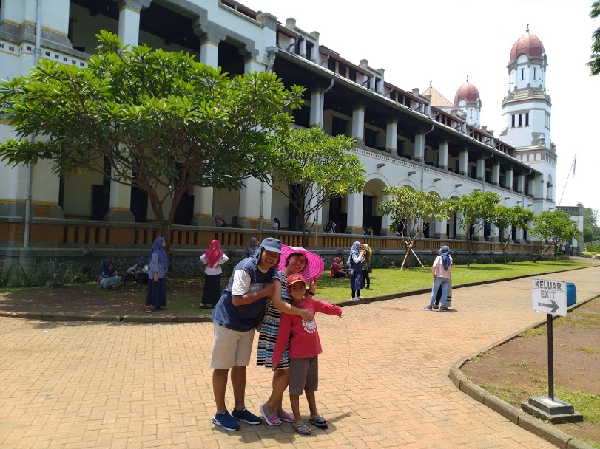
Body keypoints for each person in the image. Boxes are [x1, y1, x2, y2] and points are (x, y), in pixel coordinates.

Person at [209, 237, 282, 432]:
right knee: (222, 367)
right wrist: (265, 291)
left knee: (241, 366)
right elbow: (237, 300)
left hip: (247, 325)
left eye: (276, 255)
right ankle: (220, 412)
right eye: (269, 253)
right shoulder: (246, 267)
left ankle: (239, 408)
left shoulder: (272, 272)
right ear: (261, 251)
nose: (272, 258)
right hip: (228, 321)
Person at [257, 245, 322, 426]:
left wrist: (310, 292)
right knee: (285, 371)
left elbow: (299, 301)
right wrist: (300, 313)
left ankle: (277, 408)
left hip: (287, 330)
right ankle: (269, 407)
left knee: (282, 371)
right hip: (274, 327)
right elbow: (278, 303)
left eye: (303, 261)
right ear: (288, 258)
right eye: (296, 259)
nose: (299, 263)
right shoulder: (278, 277)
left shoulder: (294, 280)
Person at [272, 273, 342, 435]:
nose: (298, 290)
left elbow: (324, 306)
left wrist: (337, 310)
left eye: (301, 287)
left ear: (305, 288)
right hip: (298, 357)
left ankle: (314, 413)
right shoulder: (288, 311)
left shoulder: (310, 302)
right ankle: (297, 418)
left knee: (311, 386)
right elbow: (282, 336)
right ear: (289, 291)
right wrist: (276, 358)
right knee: (296, 389)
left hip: (313, 353)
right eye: (294, 288)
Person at [199, 240, 229, 309]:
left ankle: (203, 303)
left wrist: (206, 262)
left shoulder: (208, 252)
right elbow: (226, 258)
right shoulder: (219, 252)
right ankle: (214, 303)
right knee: (215, 288)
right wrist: (219, 263)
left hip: (208, 271)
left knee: (207, 287)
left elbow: (201, 258)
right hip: (216, 272)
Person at [423, 245, 453, 312]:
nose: (439, 250)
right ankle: (443, 307)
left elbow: (434, 266)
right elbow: (449, 269)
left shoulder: (439, 258)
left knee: (434, 291)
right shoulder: (449, 258)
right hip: (447, 277)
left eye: (440, 249)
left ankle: (430, 306)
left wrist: (434, 274)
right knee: (444, 292)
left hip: (439, 276)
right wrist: (447, 273)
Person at [145, 237, 168, 312]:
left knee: (160, 289)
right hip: (156, 274)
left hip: (161, 274)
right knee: (153, 290)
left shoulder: (162, 251)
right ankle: (148, 305)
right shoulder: (155, 252)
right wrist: (155, 274)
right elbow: (154, 264)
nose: (165, 243)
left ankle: (159, 304)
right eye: (164, 242)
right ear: (159, 243)